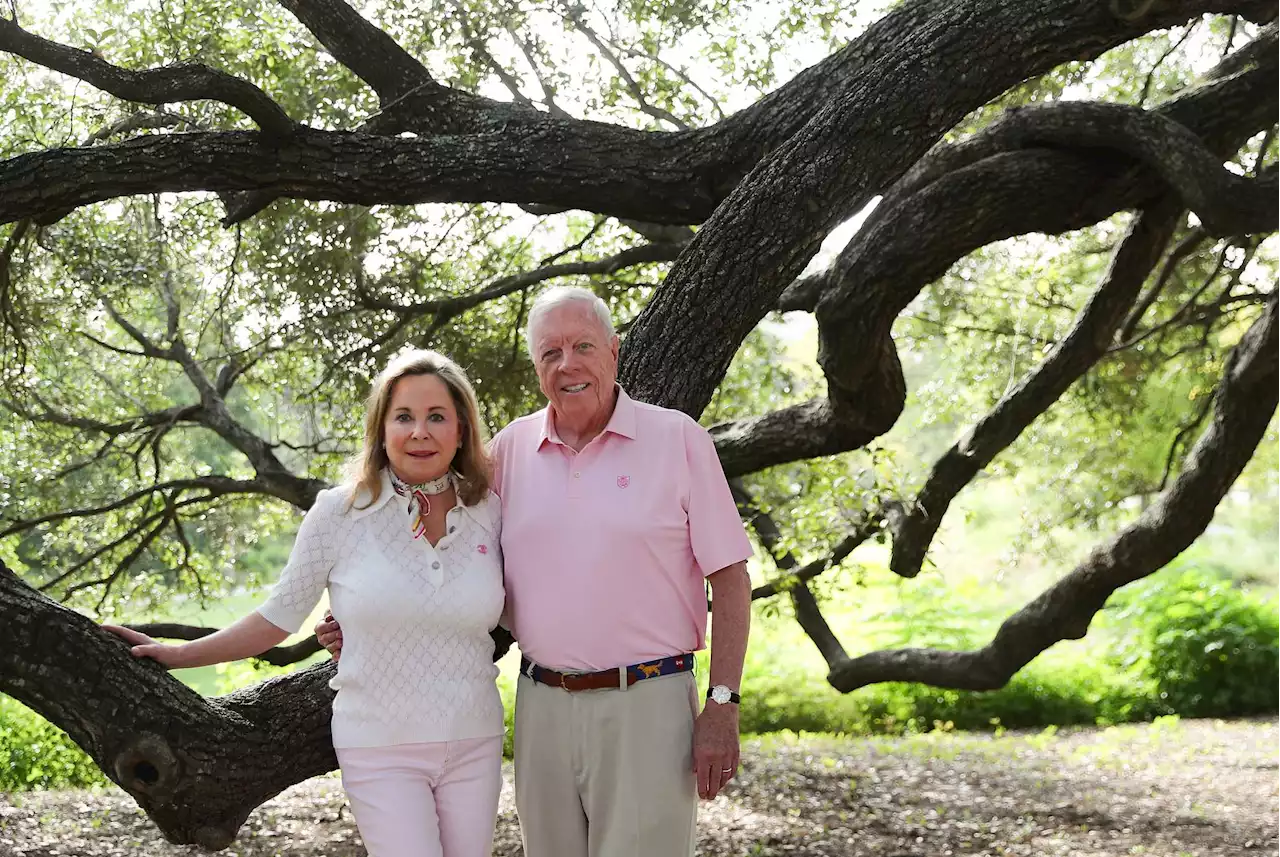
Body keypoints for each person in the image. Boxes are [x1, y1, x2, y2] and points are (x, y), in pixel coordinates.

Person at [319, 286, 753, 857]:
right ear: (536, 368)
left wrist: (722, 704)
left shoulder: (677, 439)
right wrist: (361, 613)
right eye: (550, 353)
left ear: (614, 352)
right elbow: (440, 552)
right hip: (541, 703)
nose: (567, 365)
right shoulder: (508, 454)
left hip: (649, 701)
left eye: (582, 347)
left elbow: (730, 578)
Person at [106, 350, 506, 857]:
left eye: (437, 417)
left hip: (475, 738)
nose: (420, 432)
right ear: (381, 429)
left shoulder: (489, 511)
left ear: (462, 429)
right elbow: (277, 619)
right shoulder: (339, 512)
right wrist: (178, 654)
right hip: (380, 745)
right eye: (403, 417)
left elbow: (522, 604)